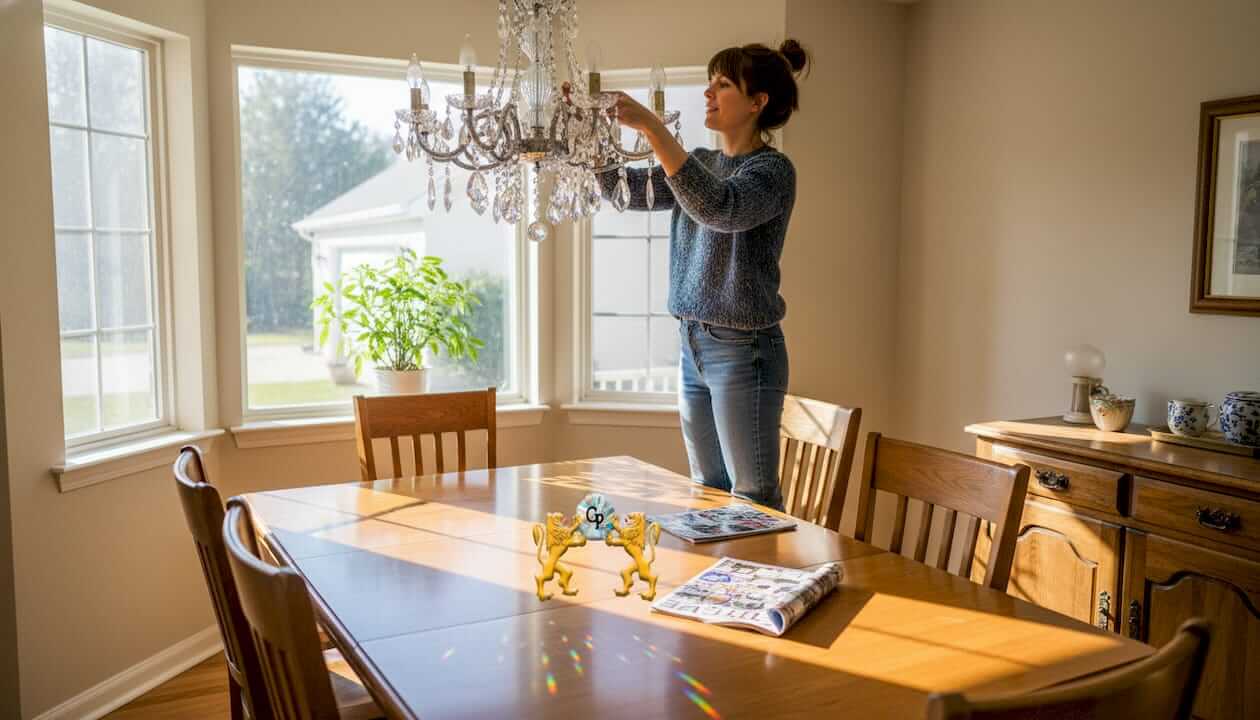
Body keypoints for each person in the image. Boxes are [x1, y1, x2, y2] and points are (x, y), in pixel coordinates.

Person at [601, 40, 810, 510]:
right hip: (692, 345)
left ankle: (765, 583)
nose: (708, 93)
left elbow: (720, 207)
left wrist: (653, 129)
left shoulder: (774, 171)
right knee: (708, 491)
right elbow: (623, 193)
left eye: (723, 84)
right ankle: (720, 584)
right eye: (710, 82)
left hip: (743, 351)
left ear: (758, 102)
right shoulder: (702, 161)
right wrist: (588, 136)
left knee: (752, 498)